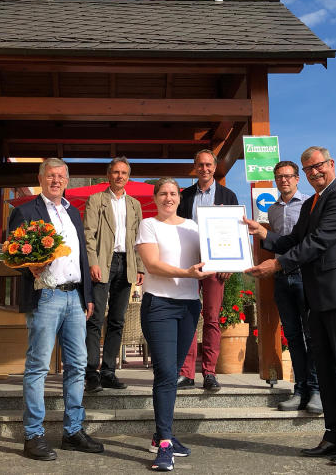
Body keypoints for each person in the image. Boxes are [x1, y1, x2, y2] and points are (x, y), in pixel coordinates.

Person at [244, 147, 336, 466]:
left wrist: (277, 266)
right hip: (318, 297)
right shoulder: (314, 203)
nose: (314, 172)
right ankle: (335, 435)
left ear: (331, 164)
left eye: (318, 166)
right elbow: (294, 239)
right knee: (327, 370)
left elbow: (318, 243)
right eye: (308, 169)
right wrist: (263, 233)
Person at [8, 158, 103, 461]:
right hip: (45, 296)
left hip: (75, 298)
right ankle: (33, 435)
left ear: (67, 180)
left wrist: (87, 295)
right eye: (51, 176)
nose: (56, 180)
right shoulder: (24, 212)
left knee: (77, 367)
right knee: (38, 367)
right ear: (41, 178)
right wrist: (30, 268)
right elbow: (12, 254)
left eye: (61, 176)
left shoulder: (73, 212)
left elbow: (83, 257)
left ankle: (73, 431)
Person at [136, 178, 214, 471]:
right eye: (163, 194)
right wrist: (187, 273)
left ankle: (160, 435)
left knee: (176, 371)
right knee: (166, 373)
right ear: (155, 198)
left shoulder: (194, 227)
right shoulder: (148, 225)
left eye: (172, 193)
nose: (168, 198)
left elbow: (210, 257)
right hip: (160, 305)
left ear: (179, 197)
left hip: (190, 306)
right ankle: (165, 444)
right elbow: (153, 265)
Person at [177, 149, 238, 391]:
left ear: (214, 167)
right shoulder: (185, 195)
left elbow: (235, 231)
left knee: (212, 318)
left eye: (208, 165)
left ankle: (209, 373)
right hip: (190, 264)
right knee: (189, 317)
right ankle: (186, 373)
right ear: (195, 167)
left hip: (216, 264)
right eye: (200, 165)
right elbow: (177, 229)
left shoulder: (228, 195)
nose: (204, 169)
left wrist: (229, 264)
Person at [84, 156, 145, 392]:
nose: (120, 176)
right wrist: (92, 262)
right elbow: (88, 234)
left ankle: (108, 371)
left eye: (124, 173)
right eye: (116, 172)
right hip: (103, 263)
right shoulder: (96, 200)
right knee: (96, 318)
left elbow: (139, 239)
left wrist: (139, 266)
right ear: (109, 175)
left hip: (126, 264)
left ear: (128, 177)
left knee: (117, 320)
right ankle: (91, 373)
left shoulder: (135, 205)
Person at [267, 161, 322, 414]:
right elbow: (279, 243)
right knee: (292, 337)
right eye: (279, 177)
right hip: (281, 277)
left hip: (305, 276)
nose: (284, 181)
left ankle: (317, 390)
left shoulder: (312, 204)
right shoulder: (273, 211)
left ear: (297, 179)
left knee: (312, 335)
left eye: (288, 176)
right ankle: (299, 389)